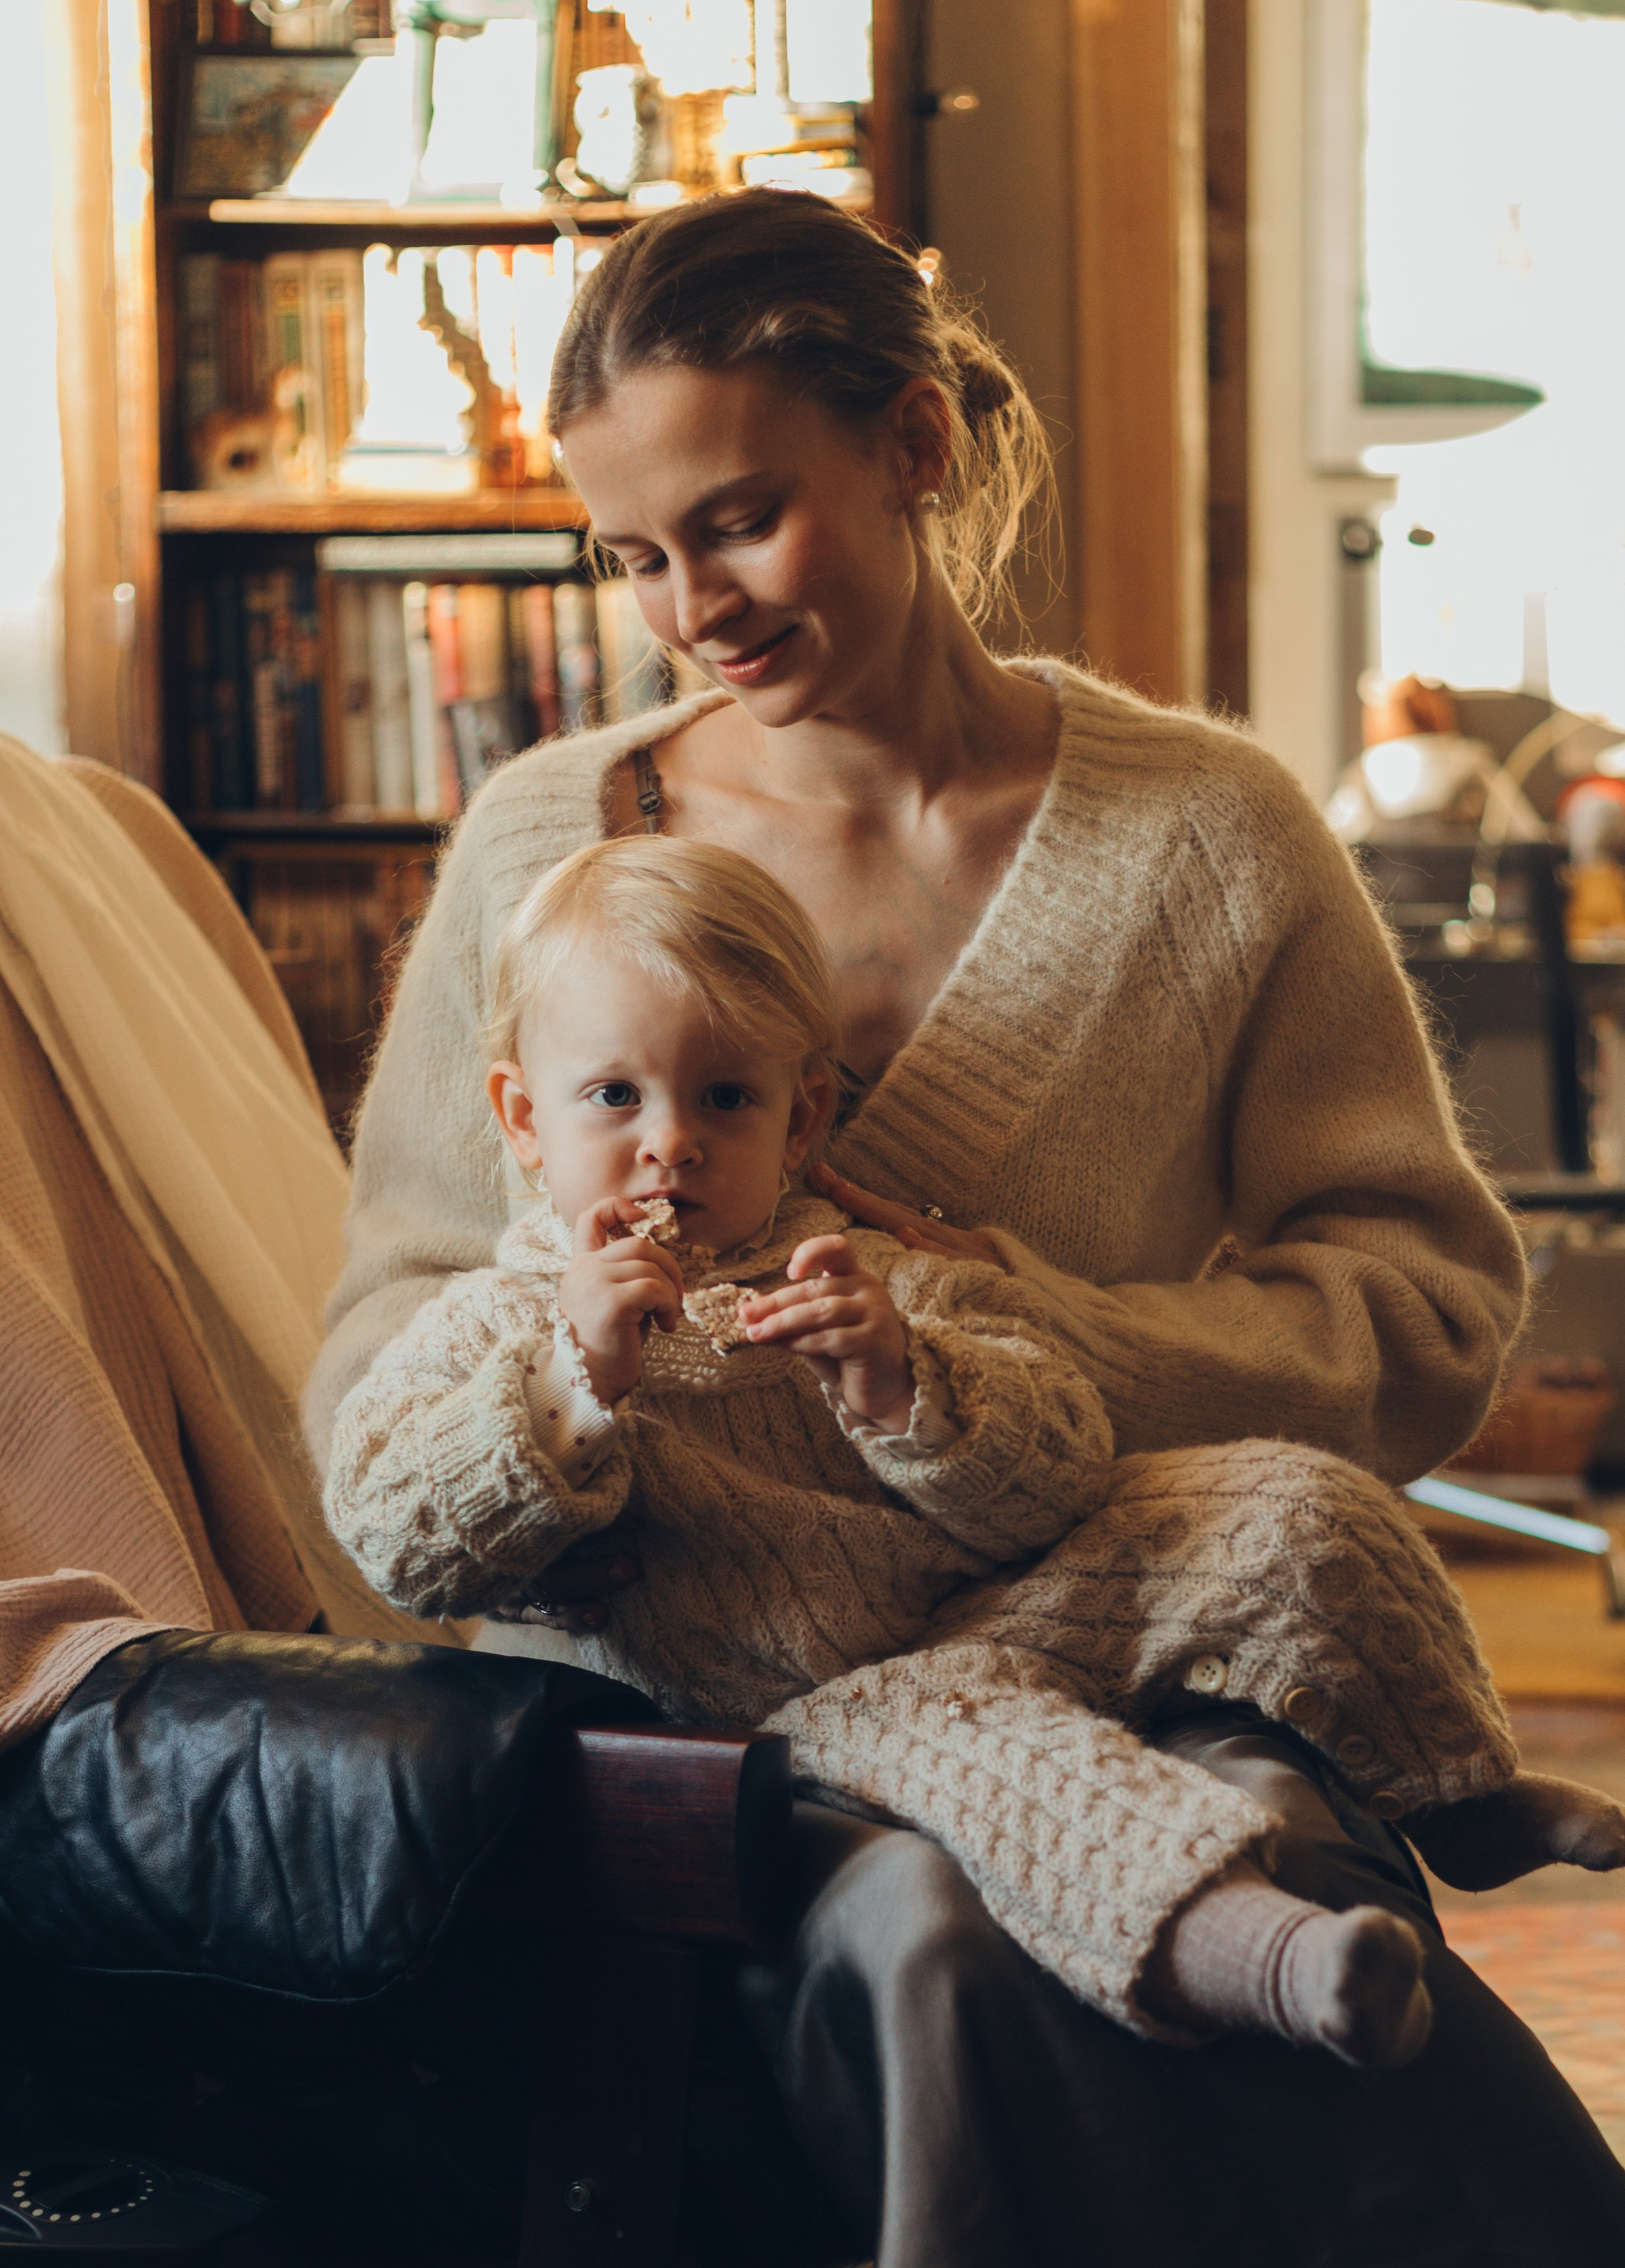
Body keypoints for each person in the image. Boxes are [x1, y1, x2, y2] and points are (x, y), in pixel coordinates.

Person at [303, 190, 1625, 2265]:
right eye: (633, 554)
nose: (691, 609)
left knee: (1268, 1834)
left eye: (738, 519)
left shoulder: (1208, 835)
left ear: (914, 448)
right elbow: (392, 1331)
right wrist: (583, 1392)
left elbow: (1434, 1304)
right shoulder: (550, 844)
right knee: (938, 1928)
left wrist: (1053, 1341)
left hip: (1102, 1619)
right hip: (690, 1684)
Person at [322, 832, 1625, 2071]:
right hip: (793, 1704)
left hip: (993, 1600)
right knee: (1005, 1751)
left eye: (727, 1095)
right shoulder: (503, 1325)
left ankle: (1458, 1790)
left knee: (1292, 1504)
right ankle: (1281, 1963)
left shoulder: (866, 1273)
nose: (672, 1141)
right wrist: (574, 1378)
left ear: (804, 1116)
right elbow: (389, 1532)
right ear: (523, 1118)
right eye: (615, 1094)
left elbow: (1063, 1469)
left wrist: (902, 1383)